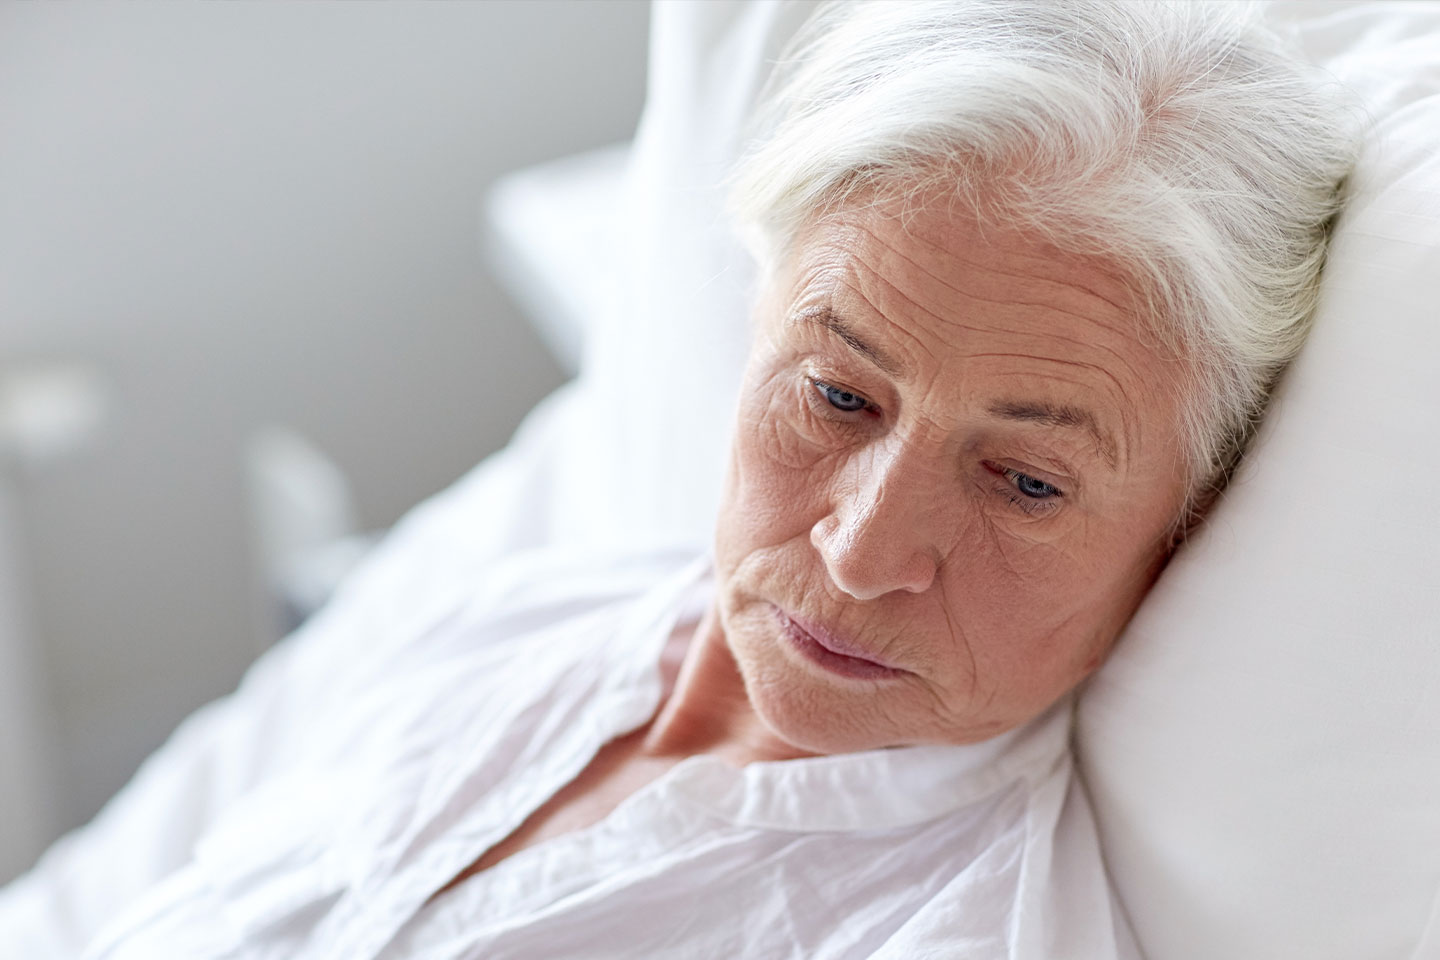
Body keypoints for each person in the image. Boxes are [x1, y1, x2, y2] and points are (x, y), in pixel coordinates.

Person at [0, 1, 1358, 957]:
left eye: (1026, 482)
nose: (863, 547)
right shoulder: (529, 612)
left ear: (1179, 526)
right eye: (836, 396)